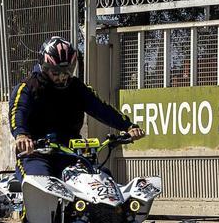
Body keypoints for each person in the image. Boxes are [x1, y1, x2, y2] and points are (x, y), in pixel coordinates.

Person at [9, 36, 144, 177]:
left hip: (71, 154)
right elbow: (18, 111)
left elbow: (102, 109)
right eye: (56, 73)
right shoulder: (27, 88)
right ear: (44, 68)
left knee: (102, 177)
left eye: (67, 72)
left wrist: (129, 126)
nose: (62, 77)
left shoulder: (77, 88)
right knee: (40, 182)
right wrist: (21, 135)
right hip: (35, 155)